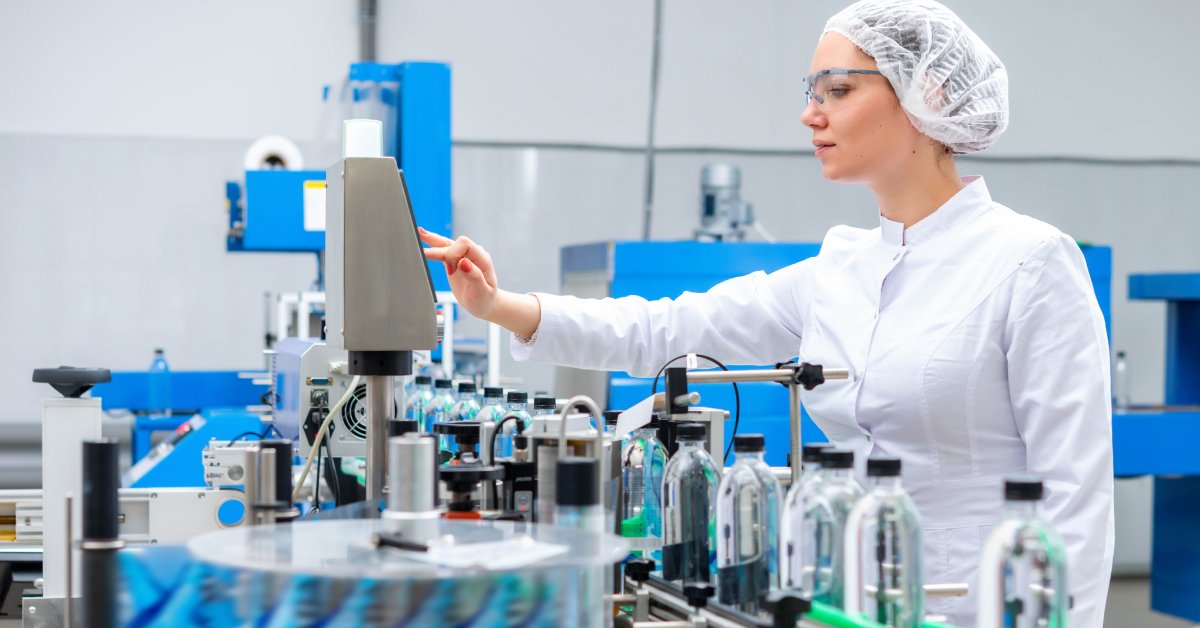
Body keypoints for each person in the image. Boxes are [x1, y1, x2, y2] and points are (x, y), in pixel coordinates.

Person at [419, 0, 1114, 625]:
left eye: (838, 90)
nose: (812, 114)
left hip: (980, 610)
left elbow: (1077, 501)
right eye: (811, 93)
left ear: (926, 94)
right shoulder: (840, 269)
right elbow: (666, 331)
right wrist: (499, 305)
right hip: (845, 609)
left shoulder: (1027, 263)